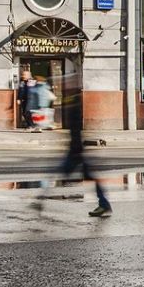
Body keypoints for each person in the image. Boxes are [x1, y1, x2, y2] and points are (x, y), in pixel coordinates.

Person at [59, 87, 111, 217]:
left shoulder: (74, 109)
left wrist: (75, 149)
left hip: (75, 151)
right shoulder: (74, 107)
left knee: (59, 172)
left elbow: (75, 131)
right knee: (89, 176)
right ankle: (104, 204)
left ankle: (39, 203)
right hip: (76, 150)